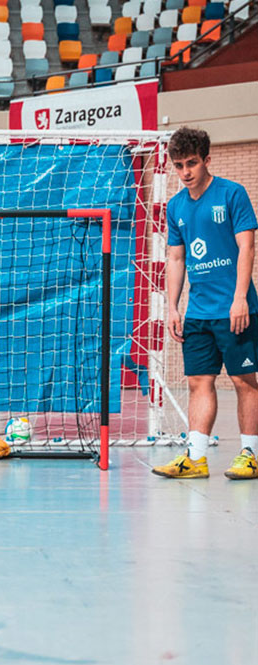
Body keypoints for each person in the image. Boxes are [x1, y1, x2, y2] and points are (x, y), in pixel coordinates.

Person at [152, 127, 258, 480]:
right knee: (199, 381)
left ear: (207, 160)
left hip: (234, 309)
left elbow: (247, 247)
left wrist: (240, 298)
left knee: (245, 380)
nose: (185, 172)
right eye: (179, 165)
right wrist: (173, 307)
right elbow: (177, 259)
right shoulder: (176, 206)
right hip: (197, 313)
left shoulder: (232, 194)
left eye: (192, 163)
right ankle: (195, 458)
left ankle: (250, 455)